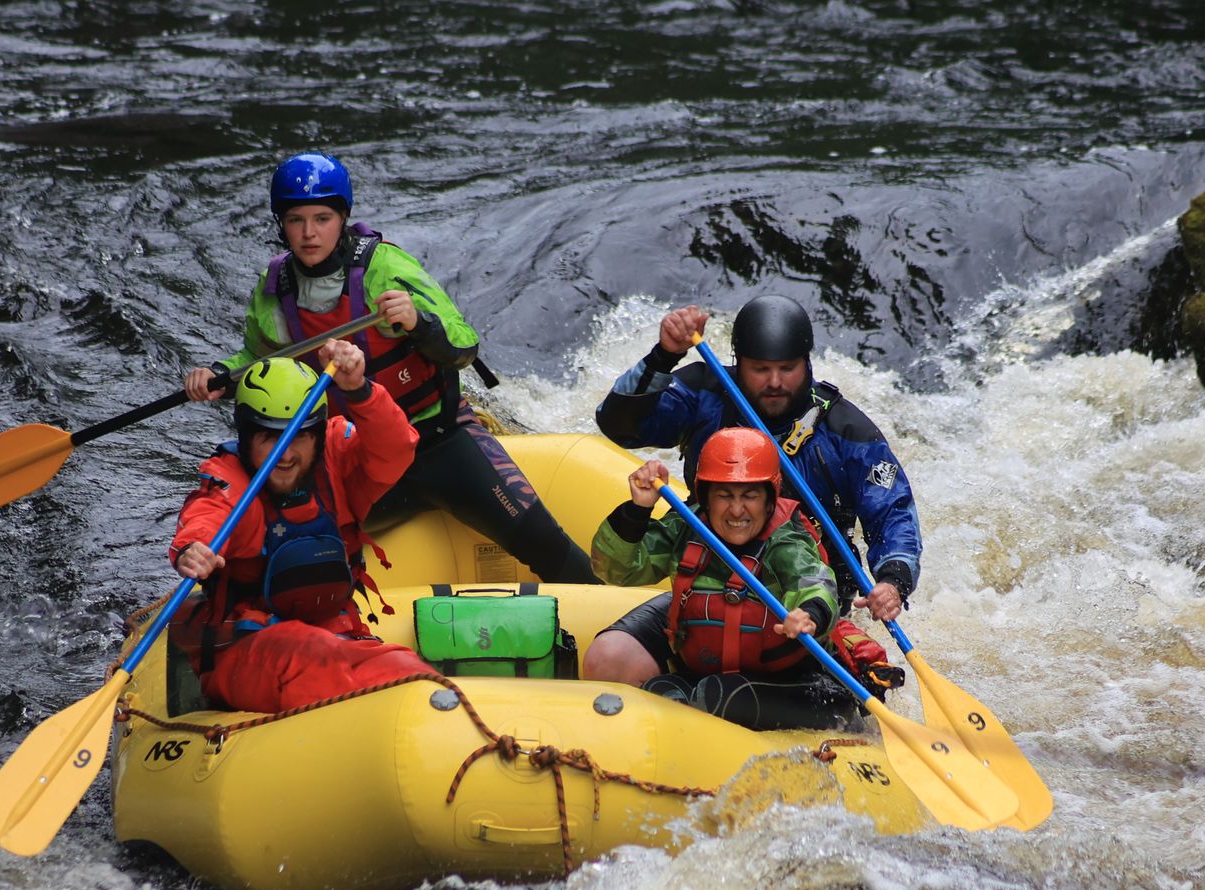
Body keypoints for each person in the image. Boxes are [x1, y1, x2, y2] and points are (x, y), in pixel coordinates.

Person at [184, 151, 598, 585]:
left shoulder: (387, 268)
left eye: (322, 218)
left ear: (342, 218)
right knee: (290, 550)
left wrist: (418, 322)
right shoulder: (274, 293)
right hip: (358, 459)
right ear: (280, 224)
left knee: (543, 542)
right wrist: (218, 376)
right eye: (295, 220)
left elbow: (463, 346)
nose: (309, 233)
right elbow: (259, 364)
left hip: (439, 441)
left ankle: (615, 619)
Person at [585, 292, 919, 686]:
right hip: (709, 585)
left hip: (802, 600)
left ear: (807, 363)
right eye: (760, 369)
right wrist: (664, 355)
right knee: (608, 659)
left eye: (787, 368)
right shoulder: (705, 392)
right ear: (738, 362)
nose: (775, 382)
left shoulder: (847, 431)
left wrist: (892, 581)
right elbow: (619, 425)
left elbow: (893, 511)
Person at [170, 344, 435, 713]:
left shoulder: (336, 456)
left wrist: (358, 389)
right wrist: (192, 548)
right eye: (269, 438)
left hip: (336, 635)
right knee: (313, 657)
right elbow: (207, 515)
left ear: (316, 434)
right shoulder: (229, 478)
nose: (286, 454)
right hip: (246, 648)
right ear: (247, 436)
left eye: (298, 436)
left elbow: (396, 449)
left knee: (409, 671)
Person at [590, 428, 865, 730]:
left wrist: (809, 614)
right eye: (724, 495)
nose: (736, 510)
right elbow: (615, 569)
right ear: (706, 497)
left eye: (750, 496)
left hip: (786, 680)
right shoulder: (688, 523)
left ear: (769, 499)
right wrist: (638, 509)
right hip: (703, 666)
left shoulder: (787, 540)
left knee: (719, 698)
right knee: (644, 682)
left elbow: (814, 582)